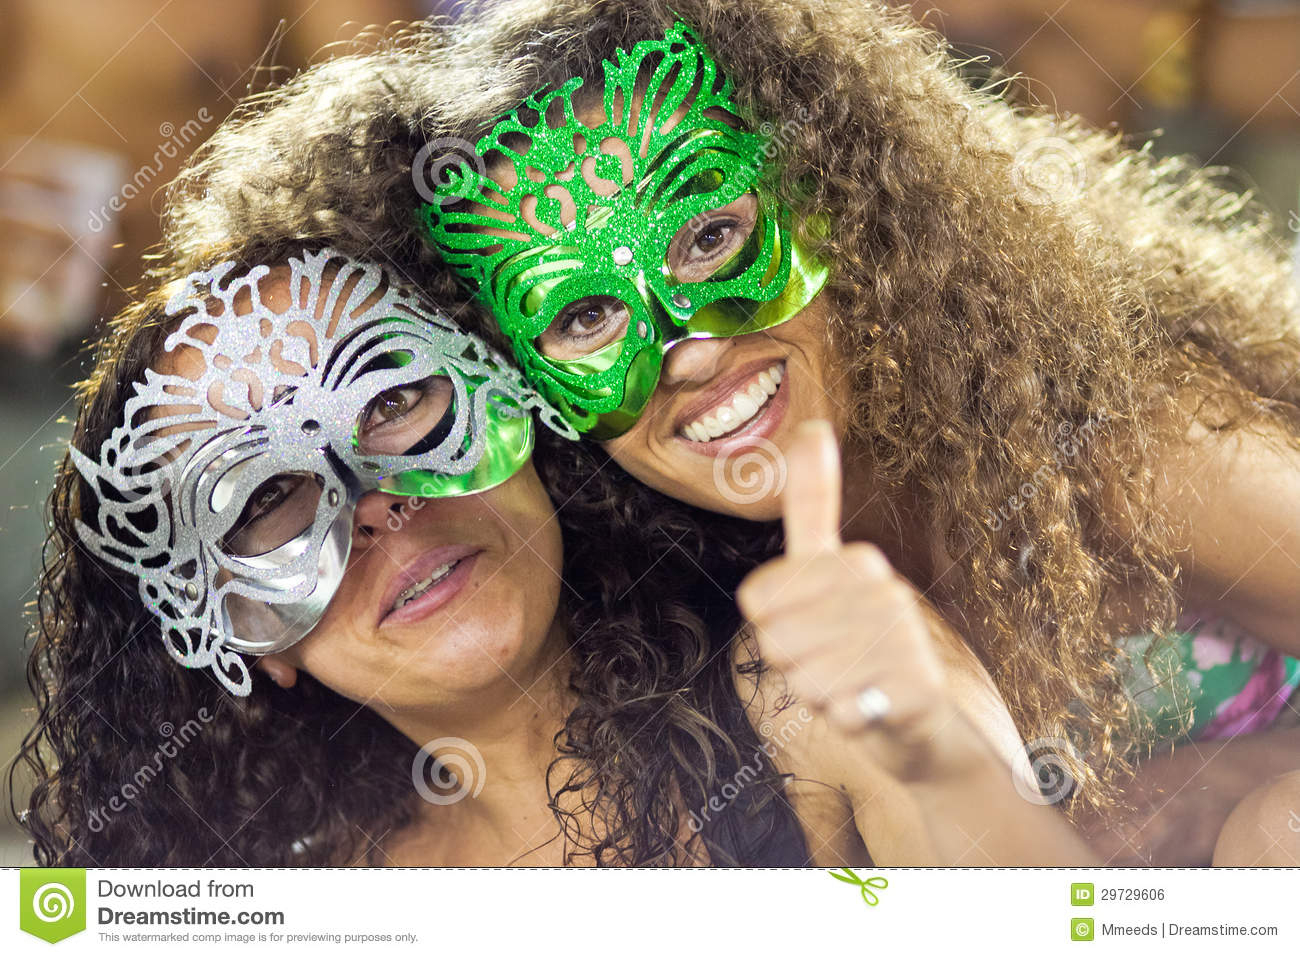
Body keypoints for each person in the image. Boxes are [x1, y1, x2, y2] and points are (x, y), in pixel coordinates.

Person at [398, 1, 1300, 863]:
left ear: (837, 201)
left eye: (710, 235)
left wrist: (1211, 799)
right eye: (586, 315)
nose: (690, 347)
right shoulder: (698, 638)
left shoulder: (1114, 447)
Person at [12, 241, 1097, 866]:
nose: (381, 505)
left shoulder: (808, 708)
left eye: (392, 401)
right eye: (268, 500)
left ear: (513, 410)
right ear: (240, 639)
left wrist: (940, 765)